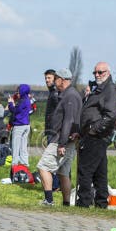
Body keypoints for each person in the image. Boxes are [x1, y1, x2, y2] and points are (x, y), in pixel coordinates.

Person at [76, 62, 116, 208]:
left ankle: (84, 202)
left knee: (85, 170)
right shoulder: (98, 88)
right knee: (100, 172)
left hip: (96, 136)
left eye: (100, 72)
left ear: (107, 72)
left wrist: (94, 129)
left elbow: (111, 115)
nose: (97, 75)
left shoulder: (110, 89)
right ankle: (101, 202)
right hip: (93, 135)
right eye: (95, 72)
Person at [38, 69, 81, 206]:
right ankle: (66, 203)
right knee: (63, 172)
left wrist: (62, 143)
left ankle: (49, 200)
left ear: (62, 79)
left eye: (56, 78)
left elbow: (68, 120)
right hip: (68, 139)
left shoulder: (69, 96)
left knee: (43, 167)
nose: (54, 81)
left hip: (60, 140)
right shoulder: (71, 94)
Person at [7, 83, 32, 167]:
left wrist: (10, 103)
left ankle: (14, 164)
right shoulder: (27, 99)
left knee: (15, 145)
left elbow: (14, 111)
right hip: (26, 125)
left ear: (22, 91)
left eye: (18, 92)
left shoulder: (22, 101)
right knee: (23, 146)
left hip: (19, 126)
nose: (17, 94)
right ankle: (25, 163)